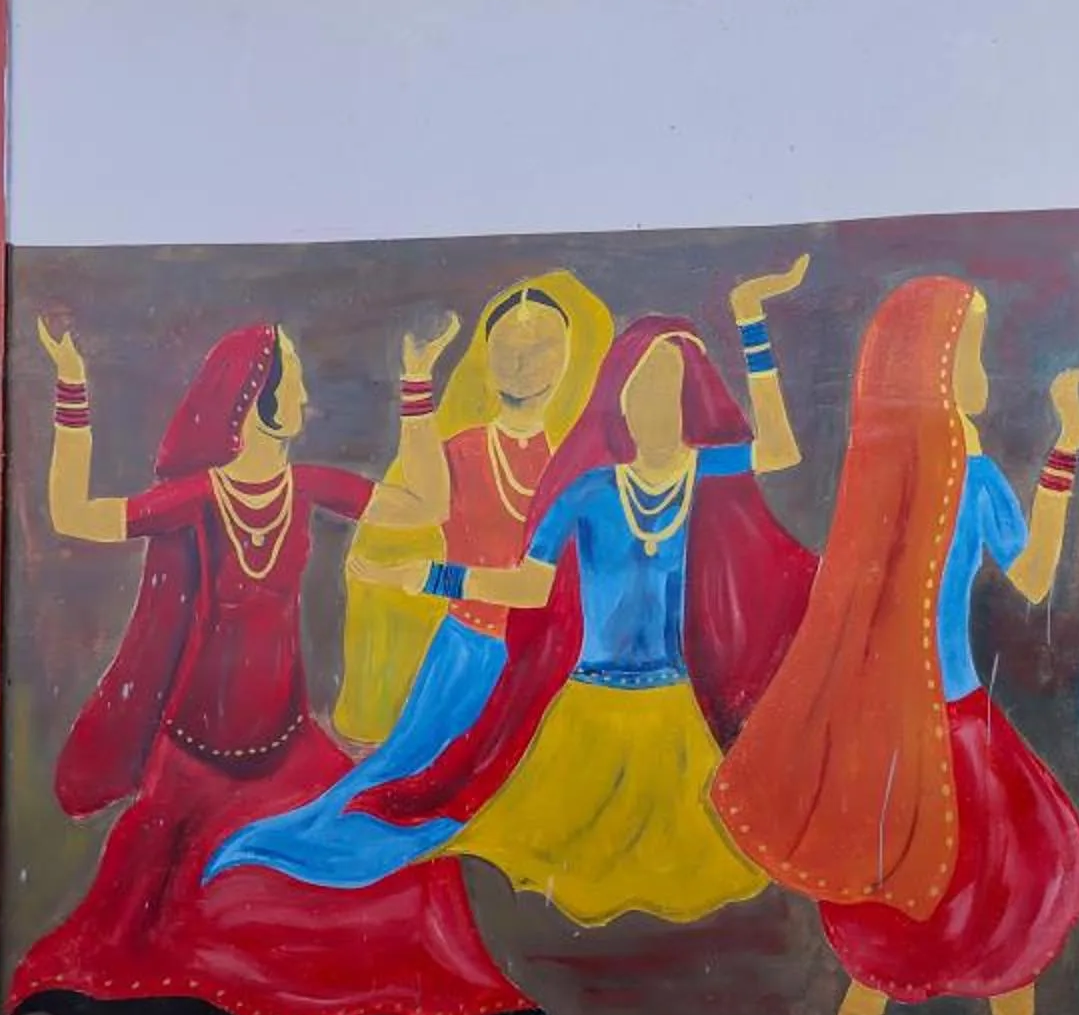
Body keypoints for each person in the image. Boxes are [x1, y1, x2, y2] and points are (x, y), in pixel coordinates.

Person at [8, 318, 551, 1015]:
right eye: (292, 381)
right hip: (195, 755)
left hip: (284, 745)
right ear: (258, 401)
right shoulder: (198, 497)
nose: (305, 396)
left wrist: (418, 386)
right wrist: (71, 387)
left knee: (378, 862)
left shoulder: (308, 486)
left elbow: (421, 506)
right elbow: (73, 514)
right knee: (154, 916)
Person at [712, 275, 1079, 1015]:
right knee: (898, 884)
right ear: (935, 358)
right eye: (970, 348)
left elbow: (1028, 578)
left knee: (1012, 872)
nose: (978, 367)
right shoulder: (887, 471)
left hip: (955, 717)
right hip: (905, 725)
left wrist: (1066, 450)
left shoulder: (962, 472)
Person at [348, 262, 815, 927]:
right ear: (617, 396)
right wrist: (426, 577)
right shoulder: (589, 491)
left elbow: (780, 448)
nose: (656, 402)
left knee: (708, 874)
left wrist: (750, 320)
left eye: (672, 386)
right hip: (585, 714)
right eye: (643, 385)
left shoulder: (709, 476)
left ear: (694, 400)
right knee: (546, 871)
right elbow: (529, 587)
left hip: (675, 716)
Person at [208, 275, 611, 890]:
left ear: (569, 357)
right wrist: (418, 381)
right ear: (485, 353)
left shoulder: (583, 464)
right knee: (394, 794)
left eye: (543, 343)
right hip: (466, 658)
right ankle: (286, 855)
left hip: (547, 665)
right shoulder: (462, 450)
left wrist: (424, 576)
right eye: (508, 341)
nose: (524, 356)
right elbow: (422, 501)